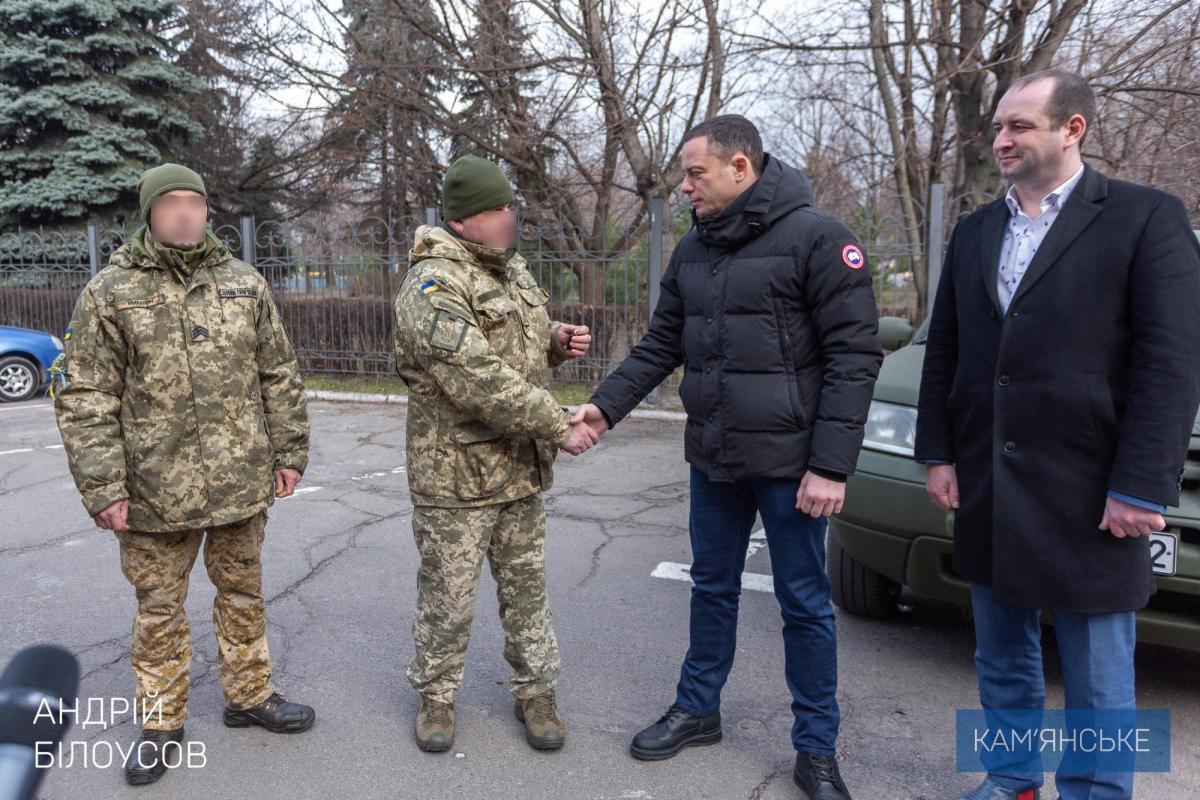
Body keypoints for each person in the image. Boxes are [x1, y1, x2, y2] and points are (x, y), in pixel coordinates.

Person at [573, 115, 881, 800]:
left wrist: (831, 465)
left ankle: (816, 749)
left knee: (804, 605)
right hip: (714, 456)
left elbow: (854, 357)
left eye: (695, 174)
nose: (684, 187)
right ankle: (698, 708)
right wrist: (604, 407)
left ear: (740, 167)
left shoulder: (819, 239)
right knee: (710, 586)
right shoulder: (696, 249)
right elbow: (661, 344)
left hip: (794, 466)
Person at [915, 68, 1200, 800]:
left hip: (1092, 489)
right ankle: (1011, 780)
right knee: (1001, 658)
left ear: (1072, 129)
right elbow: (946, 348)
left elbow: (1171, 364)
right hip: (990, 485)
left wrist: (1141, 484)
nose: (1000, 140)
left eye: (1019, 127)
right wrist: (938, 452)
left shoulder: (1145, 217)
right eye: (998, 128)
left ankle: (1098, 794)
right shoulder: (977, 229)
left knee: (1100, 672)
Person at [54, 163, 316, 786]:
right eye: (170, 203)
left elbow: (278, 374)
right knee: (159, 609)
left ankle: (250, 697)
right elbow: (85, 394)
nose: (183, 213)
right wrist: (103, 487)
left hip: (238, 483)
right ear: (149, 213)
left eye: (193, 202)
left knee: (245, 595)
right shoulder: (110, 293)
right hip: (152, 492)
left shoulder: (244, 284)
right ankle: (161, 722)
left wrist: (289, 452)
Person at [393, 155, 595, 753]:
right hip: (456, 475)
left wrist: (554, 341)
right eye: (499, 209)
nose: (511, 216)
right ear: (464, 220)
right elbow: (475, 376)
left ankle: (536, 692)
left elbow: (514, 346)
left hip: (517, 470)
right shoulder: (432, 284)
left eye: (511, 206)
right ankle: (435, 698)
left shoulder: (509, 270)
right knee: (449, 599)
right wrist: (558, 426)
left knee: (527, 590)